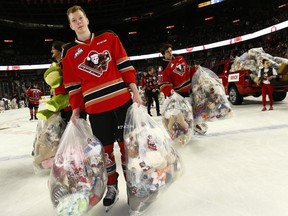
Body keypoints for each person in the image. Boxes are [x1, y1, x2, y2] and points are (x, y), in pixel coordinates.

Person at [62, 5, 143, 211]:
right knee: (105, 152)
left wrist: (135, 90)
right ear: (71, 26)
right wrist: (76, 109)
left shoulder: (109, 37)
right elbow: (73, 86)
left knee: (128, 148)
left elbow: (124, 64)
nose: (78, 22)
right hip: (96, 111)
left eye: (80, 18)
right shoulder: (70, 53)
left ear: (87, 20)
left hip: (121, 103)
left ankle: (134, 186)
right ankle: (112, 187)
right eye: (74, 20)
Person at [158, 43, 208, 134]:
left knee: (194, 108)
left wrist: (195, 69)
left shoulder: (179, 58)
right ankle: (184, 130)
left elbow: (187, 70)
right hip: (178, 95)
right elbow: (162, 83)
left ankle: (194, 125)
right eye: (167, 52)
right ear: (163, 54)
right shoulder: (163, 67)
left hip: (190, 89)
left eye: (170, 50)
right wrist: (170, 91)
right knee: (184, 113)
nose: (170, 53)